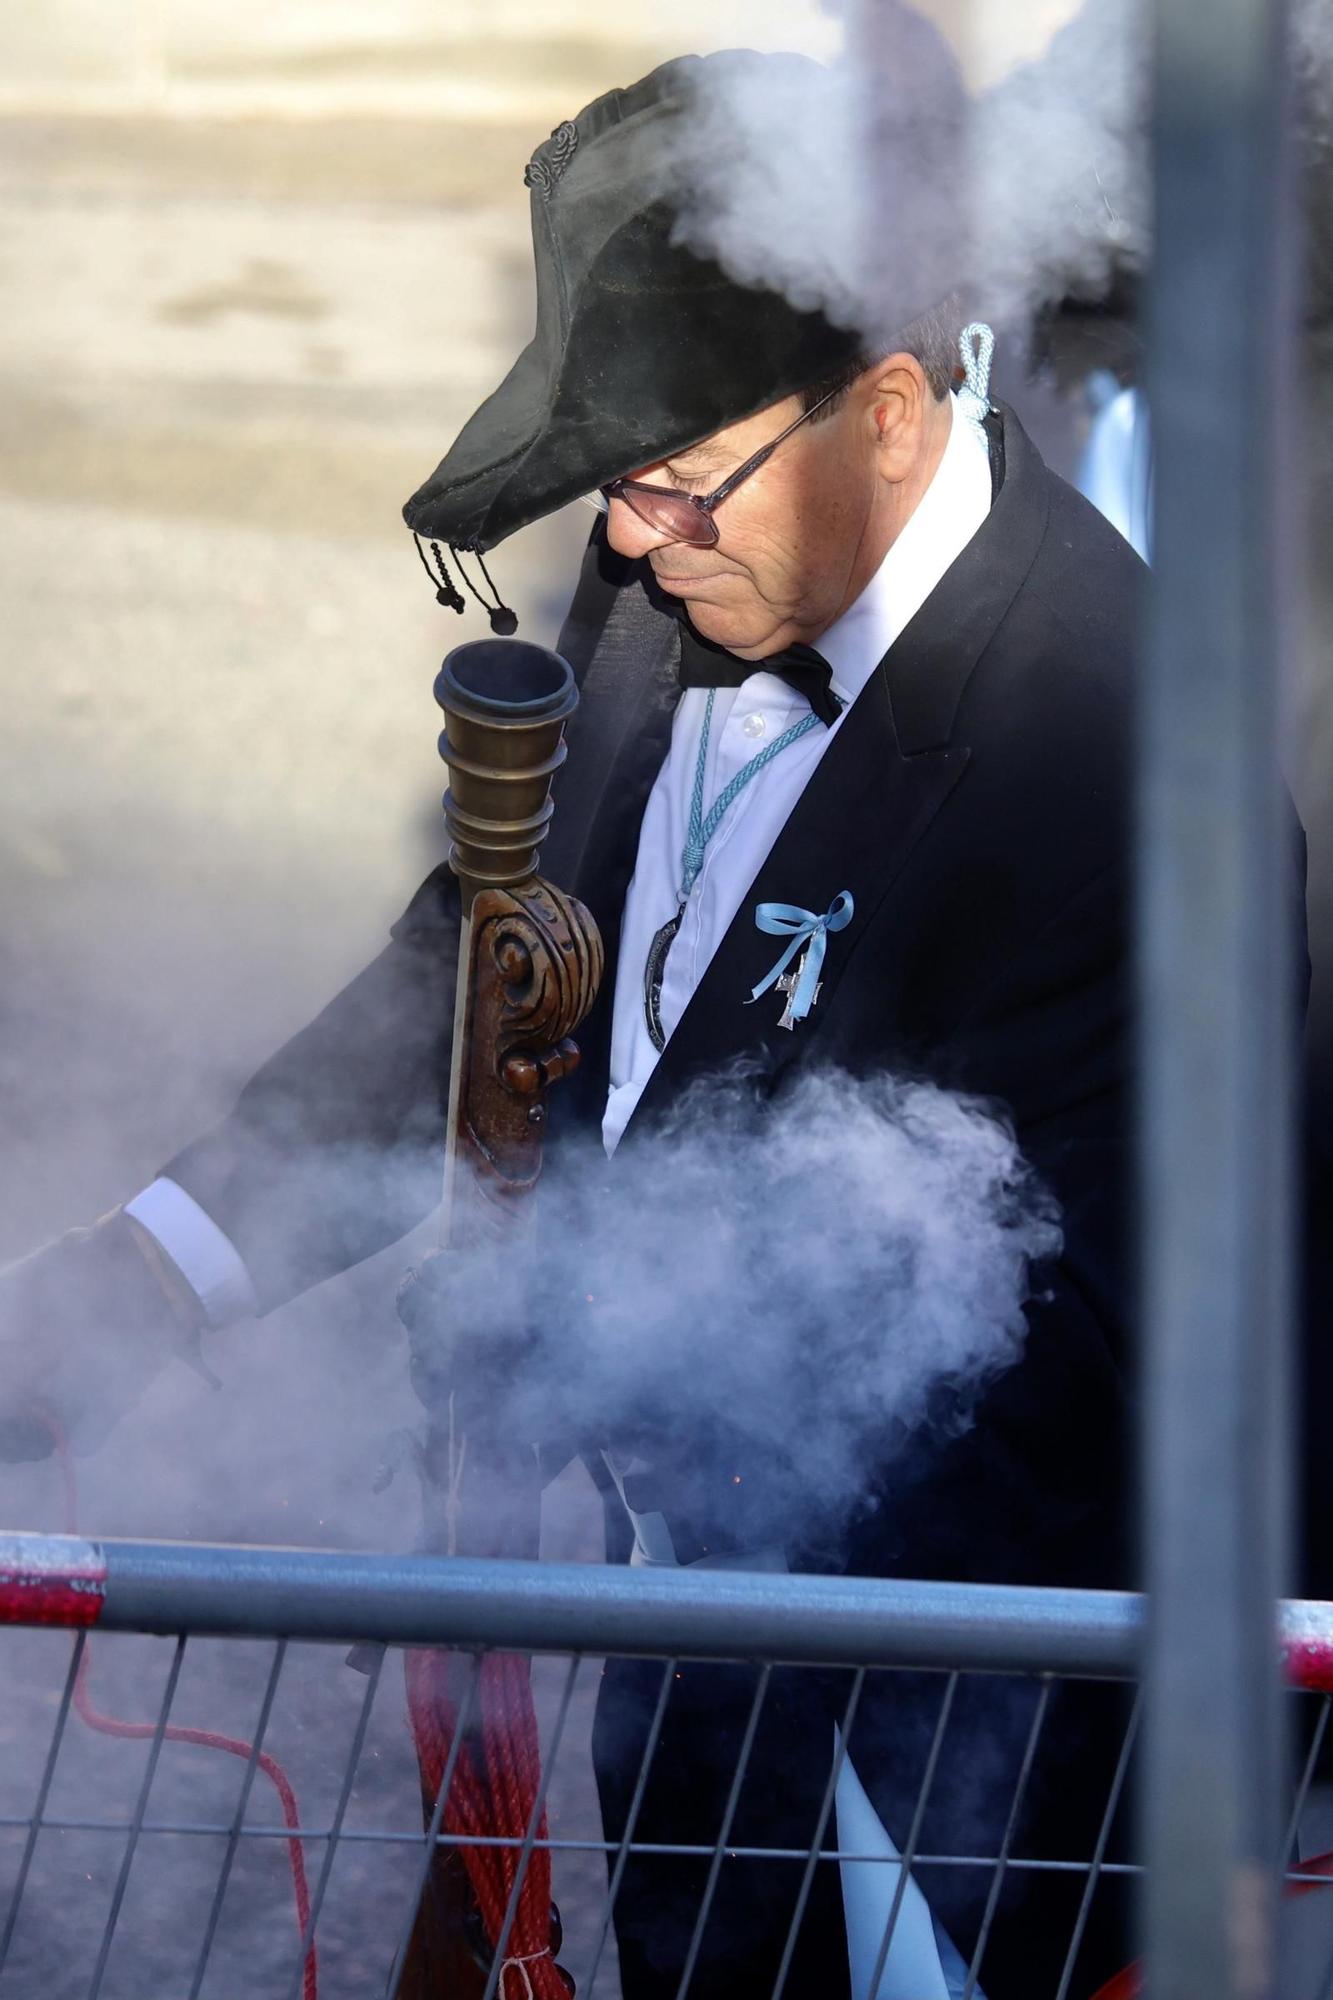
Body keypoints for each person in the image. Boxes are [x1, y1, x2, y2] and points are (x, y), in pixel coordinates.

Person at [0, 44, 1308, 2000]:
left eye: (671, 487)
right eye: (616, 492)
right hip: (702, 1675)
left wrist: (604, 1341)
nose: (623, 547)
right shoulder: (693, 565)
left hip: (981, 1766)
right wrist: (150, 1272)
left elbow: (1080, 1369)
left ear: (887, 413)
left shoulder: (1120, 769)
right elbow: (483, 954)